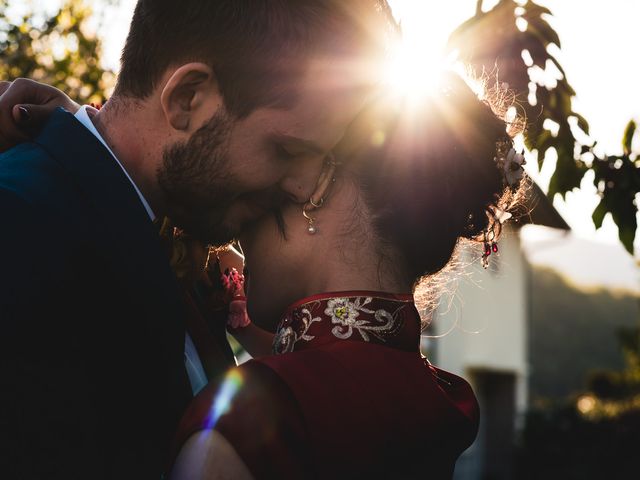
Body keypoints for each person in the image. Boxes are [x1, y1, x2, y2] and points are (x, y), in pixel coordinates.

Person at [0, 1, 397, 478]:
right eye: (287, 149)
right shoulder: (22, 225)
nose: (299, 186)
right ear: (187, 97)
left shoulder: (169, 233)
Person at [169, 73, 527, 479]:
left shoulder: (255, 417)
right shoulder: (433, 401)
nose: (239, 225)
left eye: (284, 157)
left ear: (317, 186)